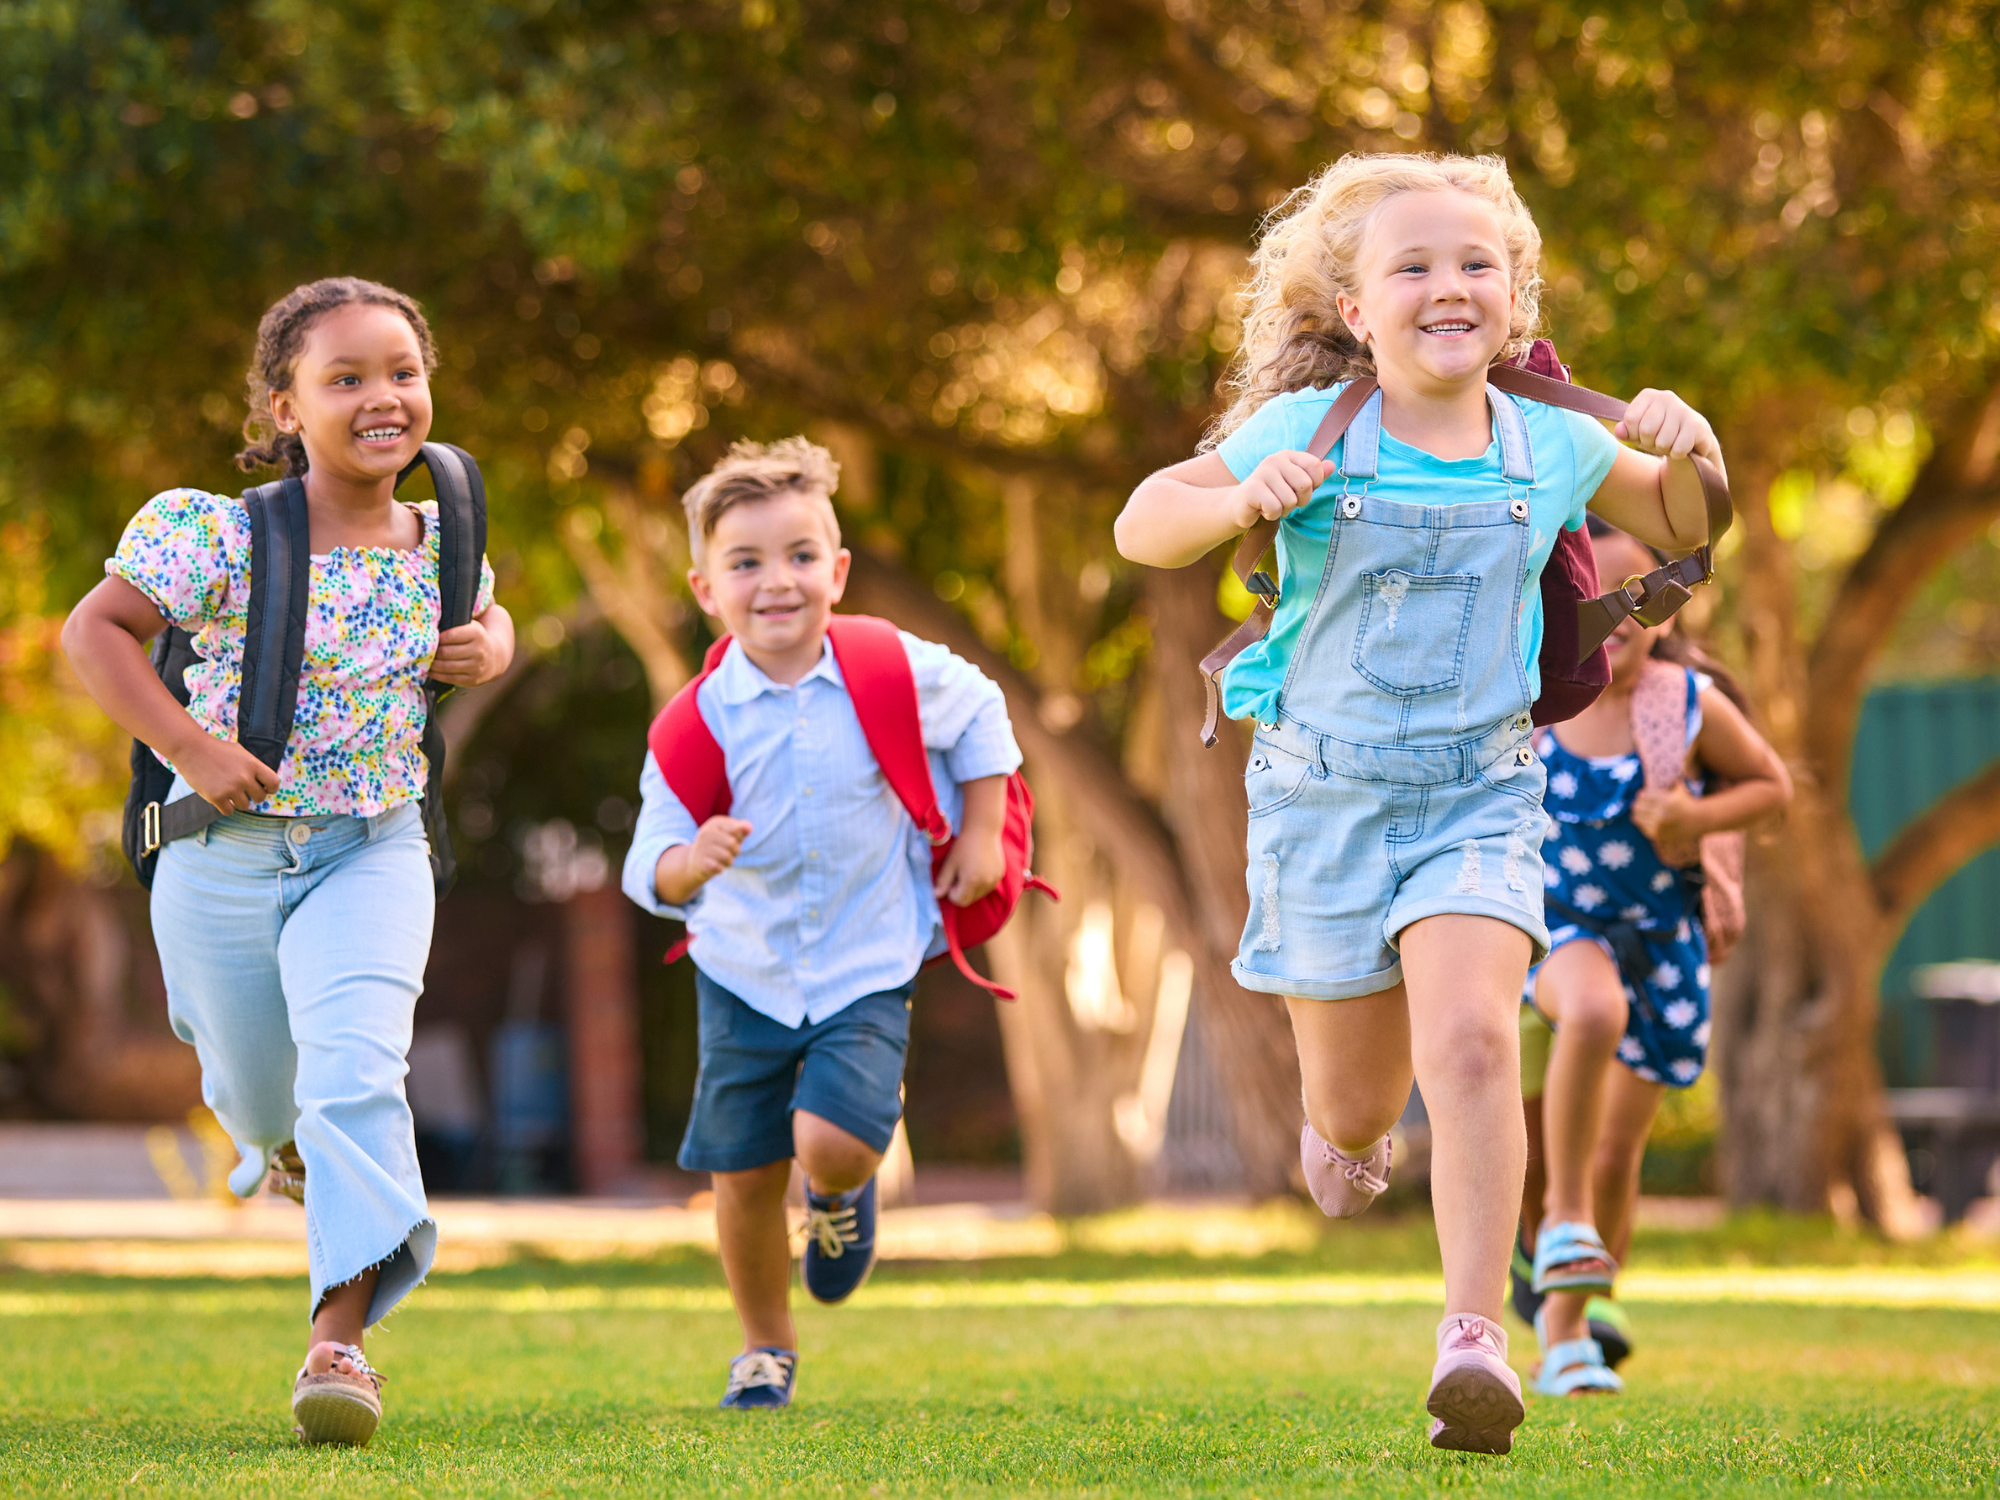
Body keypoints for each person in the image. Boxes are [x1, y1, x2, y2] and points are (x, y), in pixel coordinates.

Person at [1113, 152, 1725, 1454]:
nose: (1450, 286)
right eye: (1414, 265)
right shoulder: (1312, 429)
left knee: (1475, 1047)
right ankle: (1339, 1141)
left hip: (1480, 796)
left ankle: (1474, 1342)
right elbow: (1142, 525)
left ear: (1513, 292)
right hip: (1322, 807)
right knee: (1349, 1109)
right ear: (1352, 303)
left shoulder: (1552, 436)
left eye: (1476, 263)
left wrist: (1691, 447)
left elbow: (1680, 521)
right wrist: (1236, 498)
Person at [61, 277, 512, 1445]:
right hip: (218, 855)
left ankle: (339, 1343)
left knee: (356, 1068)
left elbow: (482, 622)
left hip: (372, 849)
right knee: (263, 1099)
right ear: (284, 407)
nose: (382, 398)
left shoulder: (445, 535)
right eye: (345, 377)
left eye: (401, 372)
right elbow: (93, 632)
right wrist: (191, 748)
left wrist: (487, 647)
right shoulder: (211, 529)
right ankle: (281, 1149)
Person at [621, 438, 1020, 1410]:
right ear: (705, 588)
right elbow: (647, 863)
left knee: (829, 1144)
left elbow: (981, 713)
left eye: (800, 556)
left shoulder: (891, 667)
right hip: (740, 970)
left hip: (867, 959)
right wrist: (690, 861)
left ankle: (841, 1198)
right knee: (745, 1175)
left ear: (836, 571)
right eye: (745, 563)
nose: (776, 582)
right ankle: (764, 1348)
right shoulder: (693, 722)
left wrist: (979, 832)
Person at [1518, 516, 1791, 1396]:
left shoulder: (1683, 704)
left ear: (1668, 614)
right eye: (1594, 595)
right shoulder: (1535, 697)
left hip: (1662, 941)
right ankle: (1559, 1237)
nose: (1617, 611)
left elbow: (1770, 787)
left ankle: (1578, 1324)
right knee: (1596, 1012)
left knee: (1616, 1158)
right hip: (1562, 929)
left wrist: (1693, 820)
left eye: (1639, 597)